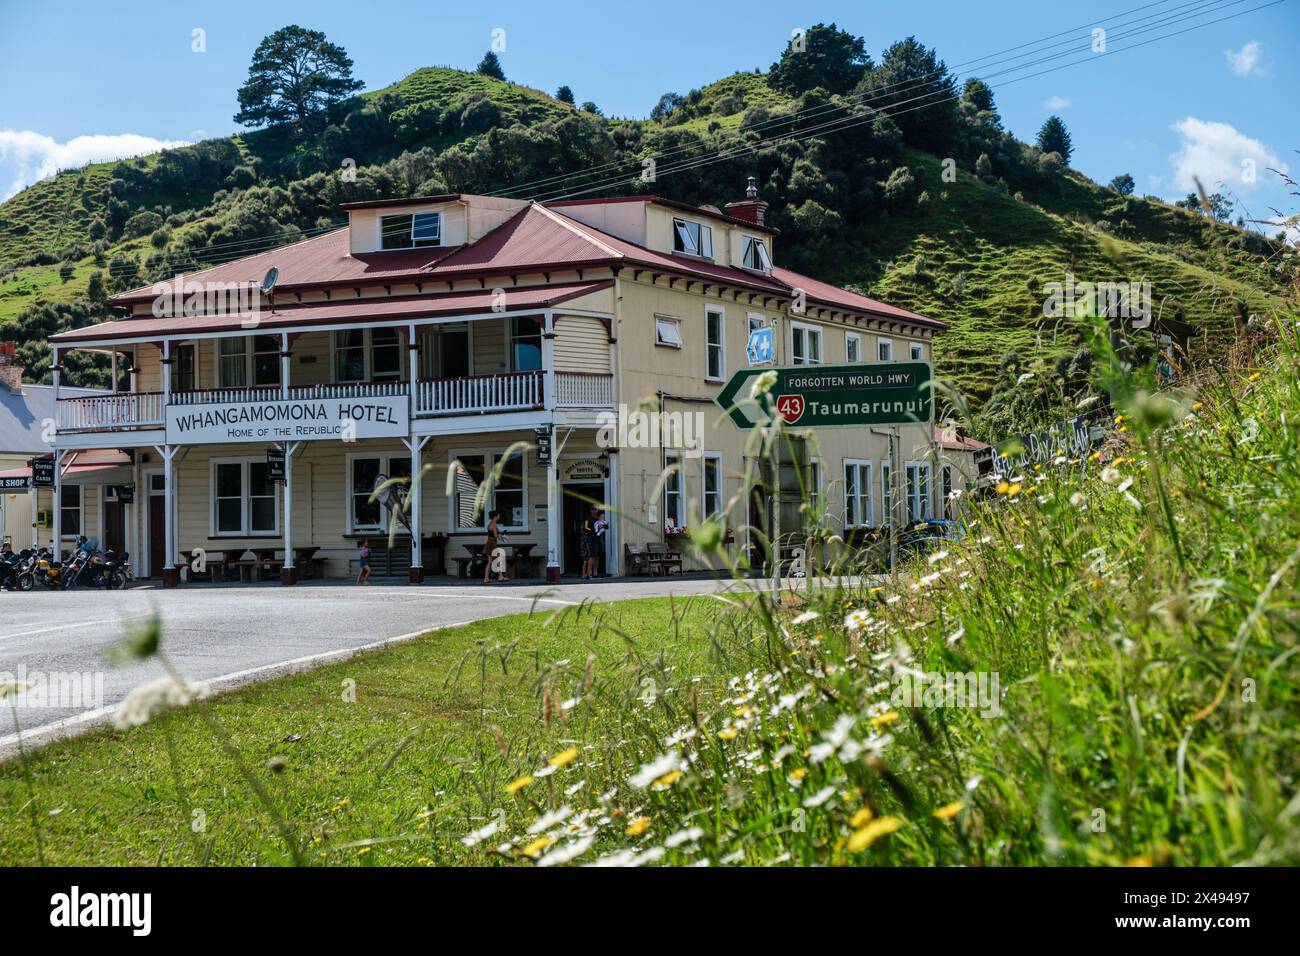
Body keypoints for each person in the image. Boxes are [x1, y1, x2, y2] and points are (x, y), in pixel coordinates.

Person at [483, 510, 508, 583]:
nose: (499, 517)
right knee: (497, 559)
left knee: (490, 561)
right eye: (498, 515)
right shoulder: (493, 524)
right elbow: (495, 536)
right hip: (492, 543)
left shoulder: (490, 523)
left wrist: (501, 536)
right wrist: (503, 536)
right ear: (495, 516)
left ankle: (486, 578)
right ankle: (500, 576)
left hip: (490, 542)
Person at [593, 509, 609, 577]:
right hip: (596, 539)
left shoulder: (604, 522)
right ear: (599, 516)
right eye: (602, 515)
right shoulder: (596, 522)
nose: (603, 516)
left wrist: (603, 526)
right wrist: (599, 529)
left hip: (601, 540)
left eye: (604, 515)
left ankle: (597, 571)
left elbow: (606, 527)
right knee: (595, 555)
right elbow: (596, 531)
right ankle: (594, 572)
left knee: (599, 555)